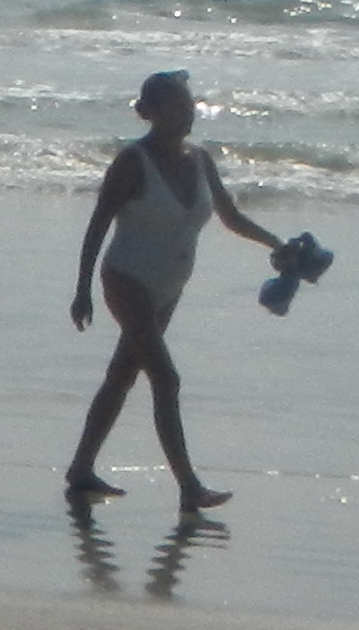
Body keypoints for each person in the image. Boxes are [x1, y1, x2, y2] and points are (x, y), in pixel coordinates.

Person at [62, 67, 292, 509]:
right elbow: (99, 224)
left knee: (122, 375)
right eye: (178, 106)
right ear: (153, 112)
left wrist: (275, 244)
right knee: (166, 378)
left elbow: (230, 216)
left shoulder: (200, 158)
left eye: (190, 106)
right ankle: (189, 486)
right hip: (127, 278)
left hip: (170, 285)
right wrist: (82, 289)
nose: (188, 114)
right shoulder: (133, 161)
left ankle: (81, 469)